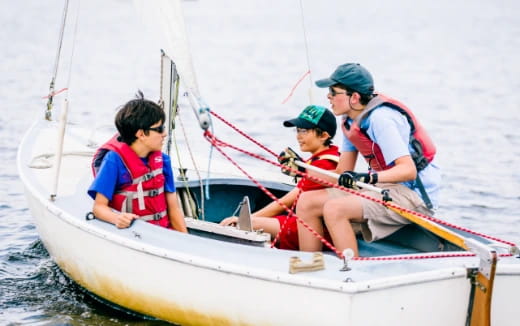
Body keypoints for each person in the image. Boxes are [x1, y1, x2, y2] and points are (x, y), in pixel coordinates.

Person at [296, 63, 441, 256]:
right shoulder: (350, 121)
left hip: (414, 195)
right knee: (307, 202)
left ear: (354, 97)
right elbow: (341, 175)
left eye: (333, 91)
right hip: (385, 188)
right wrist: (299, 169)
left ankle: (350, 274)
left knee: (334, 209)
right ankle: (310, 266)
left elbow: (408, 170)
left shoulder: (381, 119)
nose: (328, 96)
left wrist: (367, 178)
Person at [220, 105, 340, 250]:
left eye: (304, 130)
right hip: (305, 223)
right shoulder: (322, 159)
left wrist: (246, 219)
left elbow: (286, 202)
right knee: (259, 227)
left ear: (324, 136)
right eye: (298, 130)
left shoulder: (324, 164)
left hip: (318, 230)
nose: (298, 135)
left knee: (246, 226)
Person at [88, 91, 188, 232]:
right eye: (159, 129)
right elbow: (99, 207)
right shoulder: (114, 161)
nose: (165, 133)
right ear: (141, 134)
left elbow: (174, 208)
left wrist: (184, 240)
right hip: (134, 235)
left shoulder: (163, 161)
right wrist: (117, 218)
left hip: (164, 234)